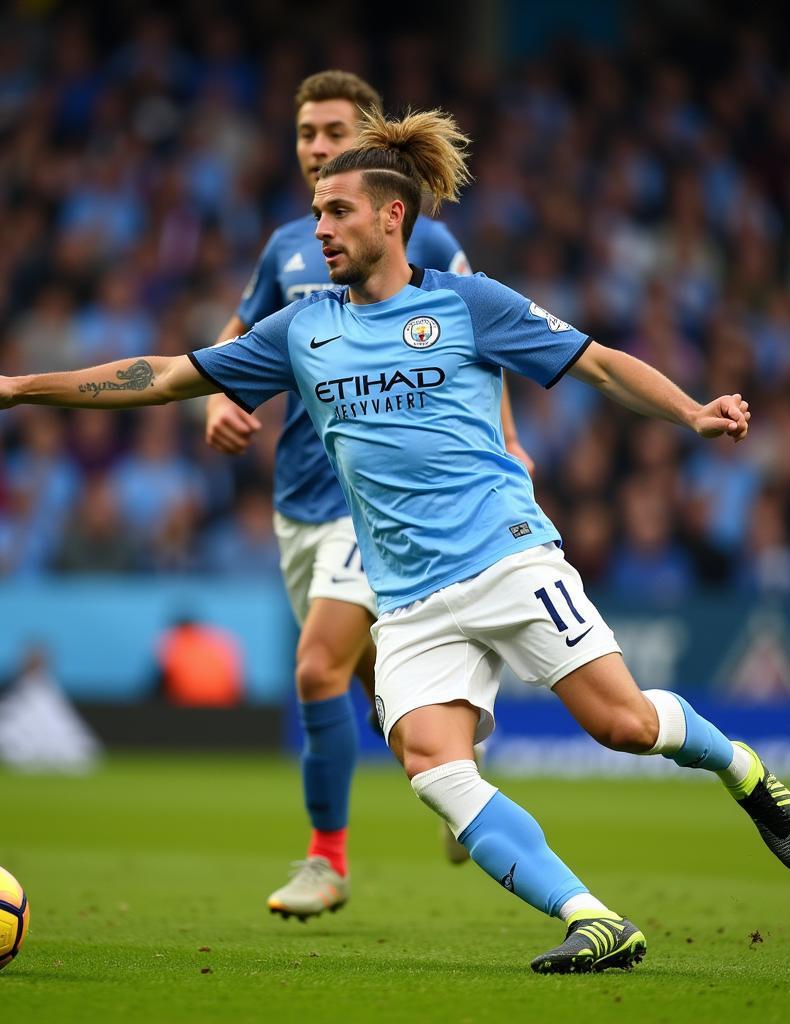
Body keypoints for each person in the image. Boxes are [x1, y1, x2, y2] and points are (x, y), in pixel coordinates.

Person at [0, 107, 790, 975]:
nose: (319, 228)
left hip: (507, 557)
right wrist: (22, 388)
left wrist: (693, 411)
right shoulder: (303, 328)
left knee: (622, 726)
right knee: (433, 764)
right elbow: (163, 375)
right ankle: (594, 919)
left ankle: (740, 766)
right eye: (315, 212)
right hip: (408, 601)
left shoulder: (470, 303)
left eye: (337, 210)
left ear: (394, 217)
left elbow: (597, 361)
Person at [204, 70, 533, 914]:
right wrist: (218, 397)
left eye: (334, 130)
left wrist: (506, 437)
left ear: (369, 138)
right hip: (299, 498)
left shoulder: (420, 245)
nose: (318, 145)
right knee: (366, 682)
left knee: (317, 665)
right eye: (308, 131)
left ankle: (326, 860)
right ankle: (459, 781)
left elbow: (479, 337)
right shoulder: (289, 246)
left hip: (379, 501)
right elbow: (236, 336)